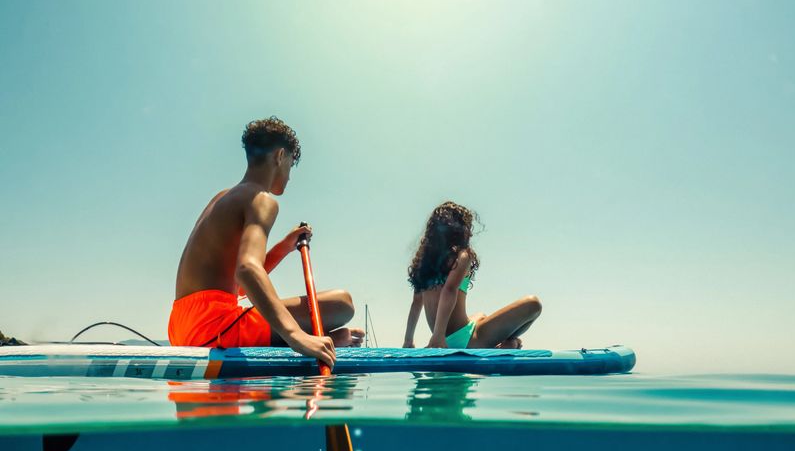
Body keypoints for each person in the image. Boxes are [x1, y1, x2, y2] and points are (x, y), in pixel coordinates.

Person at [168, 117, 363, 367]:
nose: (290, 176)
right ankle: (323, 339)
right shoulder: (262, 199)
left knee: (328, 306)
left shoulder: (222, 197)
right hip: (212, 328)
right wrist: (296, 336)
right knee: (343, 303)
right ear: (280, 156)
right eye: (291, 164)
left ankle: (326, 337)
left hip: (182, 325)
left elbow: (238, 285)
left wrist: (284, 247)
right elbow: (247, 270)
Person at [402, 201, 542, 349]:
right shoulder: (463, 255)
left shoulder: (424, 261)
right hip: (463, 341)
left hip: (448, 336)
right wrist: (438, 337)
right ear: (460, 230)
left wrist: (408, 341)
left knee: (480, 315)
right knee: (533, 304)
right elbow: (449, 290)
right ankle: (504, 345)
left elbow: (416, 303)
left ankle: (499, 341)